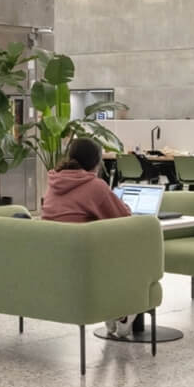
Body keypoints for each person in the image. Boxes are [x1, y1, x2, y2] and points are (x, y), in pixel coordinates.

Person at [42, 139, 142, 338]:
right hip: (83, 261)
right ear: (97, 162)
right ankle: (121, 310)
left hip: (51, 257)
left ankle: (113, 309)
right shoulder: (95, 186)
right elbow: (124, 218)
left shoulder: (54, 182)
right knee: (133, 248)